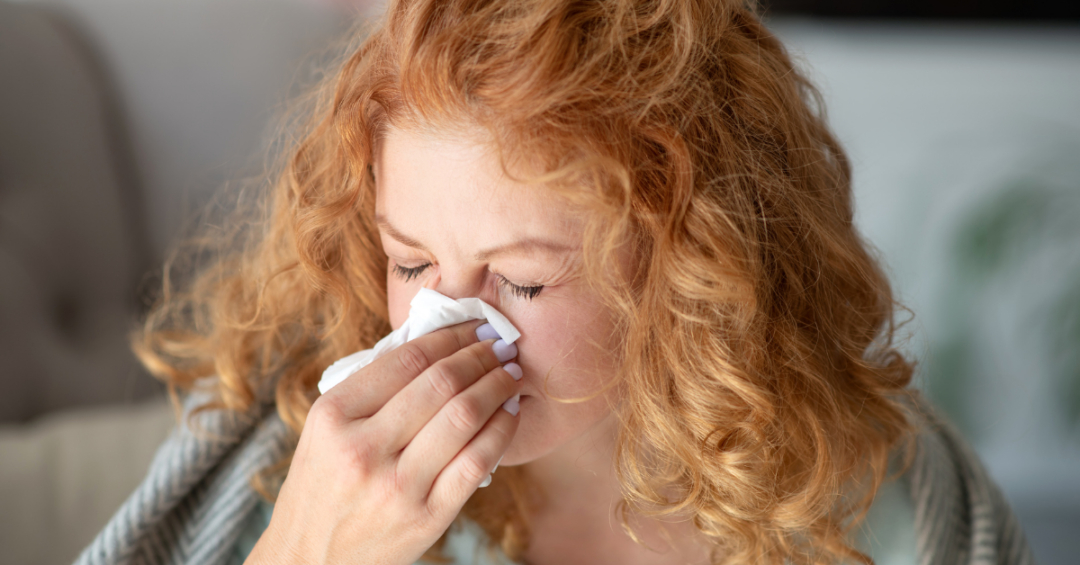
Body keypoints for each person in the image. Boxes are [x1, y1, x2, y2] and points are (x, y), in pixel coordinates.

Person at [75, 0, 1035, 564]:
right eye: (410, 263)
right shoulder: (301, 468)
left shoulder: (890, 505)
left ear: (690, 269)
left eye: (523, 283)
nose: (443, 323)